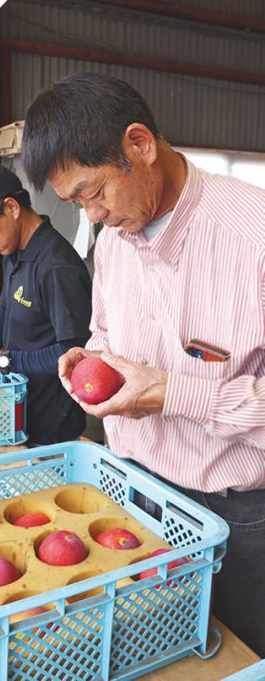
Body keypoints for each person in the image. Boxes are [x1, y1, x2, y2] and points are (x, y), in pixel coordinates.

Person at [21, 72, 265, 656]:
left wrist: (174, 393)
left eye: (94, 191)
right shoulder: (111, 242)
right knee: (154, 652)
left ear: (140, 144)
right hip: (140, 500)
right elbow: (107, 331)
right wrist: (93, 357)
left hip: (238, 517)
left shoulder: (252, 234)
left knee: (239, 656)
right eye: (78, 203)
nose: (95, 214)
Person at [0, 160, 92, 446]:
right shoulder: (15, 252)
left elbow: (77, 353)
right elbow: (8, 312)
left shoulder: (57, 266)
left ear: (11, 207)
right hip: (18, 415)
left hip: (51, 431)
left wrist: (1, 361)